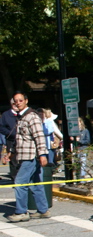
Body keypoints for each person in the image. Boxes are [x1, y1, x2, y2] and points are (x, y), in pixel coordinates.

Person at [7, 92, 50, 222]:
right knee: (35, 184)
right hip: (24, 155)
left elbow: (39, 136)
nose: (18, 103)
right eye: (15, 101)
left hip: (30, 156)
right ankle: (43, 210)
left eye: (20, 100)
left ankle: (21, 212)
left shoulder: (32, 117)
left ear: (26, 101)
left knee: (19, 183)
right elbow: (20, 138)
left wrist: (42, 154)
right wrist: (12, 152)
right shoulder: (21, 117)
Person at [0, 98, 20, 178]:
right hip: (11, 140)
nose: (16, 105)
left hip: (23, 140)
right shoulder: (6, 115)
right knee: (13, 159)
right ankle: (14, 177)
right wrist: (9, 133)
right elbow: (1, 127)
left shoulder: (22, 114)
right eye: (14, 104)